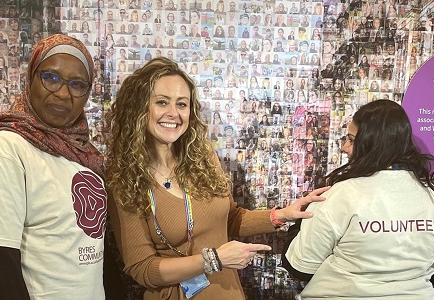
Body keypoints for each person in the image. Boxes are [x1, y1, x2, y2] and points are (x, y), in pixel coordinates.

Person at [105, 57, 328, 299]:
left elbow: (228, 218)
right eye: (161, 102)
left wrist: (280, 215)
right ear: (139, 108)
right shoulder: (124, 178)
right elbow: (142, 268)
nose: (173, 114)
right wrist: (214, 260)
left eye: (182, 104)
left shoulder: (203, 157)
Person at [0, 34, 123, 299]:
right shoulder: (6, 149)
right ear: (30, 78)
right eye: (51, 78)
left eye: (77, 84)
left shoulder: (84, 155)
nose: (63, 93)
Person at [283, 100, 434, 299]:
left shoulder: (341, 196)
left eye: (351, 139)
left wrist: (299, 223)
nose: (344, 147)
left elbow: (300, 267)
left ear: (371, 143)